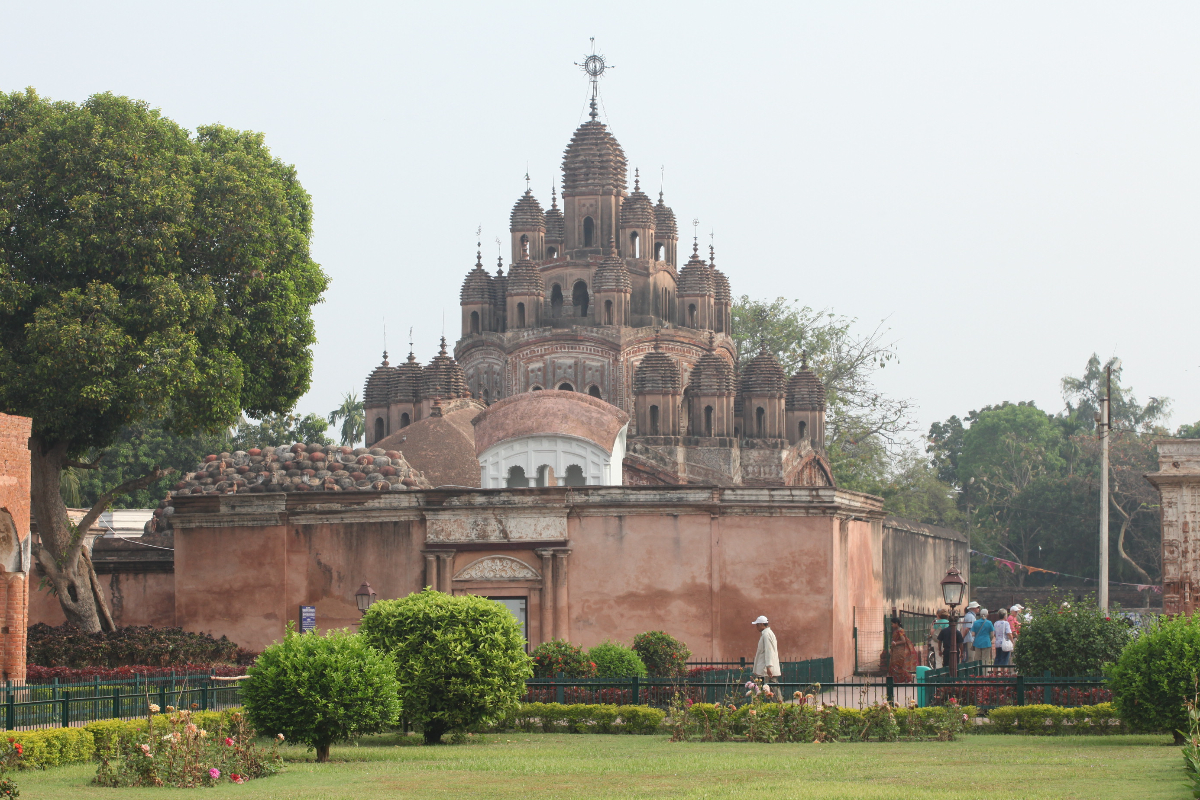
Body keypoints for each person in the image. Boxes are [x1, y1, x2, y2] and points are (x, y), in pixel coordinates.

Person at [752, 615, 780, 696]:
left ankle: (779, 707)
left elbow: (769, 651)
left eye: (757, 625)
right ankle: (778, 706)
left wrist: (768, 667)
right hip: (767, 669)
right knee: (770, 691)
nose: (756, 627)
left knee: (772, 691)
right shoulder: (767, 633)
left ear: (761, 624)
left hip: (767, 670)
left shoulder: (766, 635)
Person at [888, 617, 917, 683]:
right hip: (895, 650)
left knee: (898, 665)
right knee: (893, 664)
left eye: (892, 624)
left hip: (899, 651)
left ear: (896, 623)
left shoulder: (900, 631)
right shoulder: (895, 631)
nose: (892, 625)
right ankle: (895, 680)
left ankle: (909, 677)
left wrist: (895, 643)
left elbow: (903, 641)